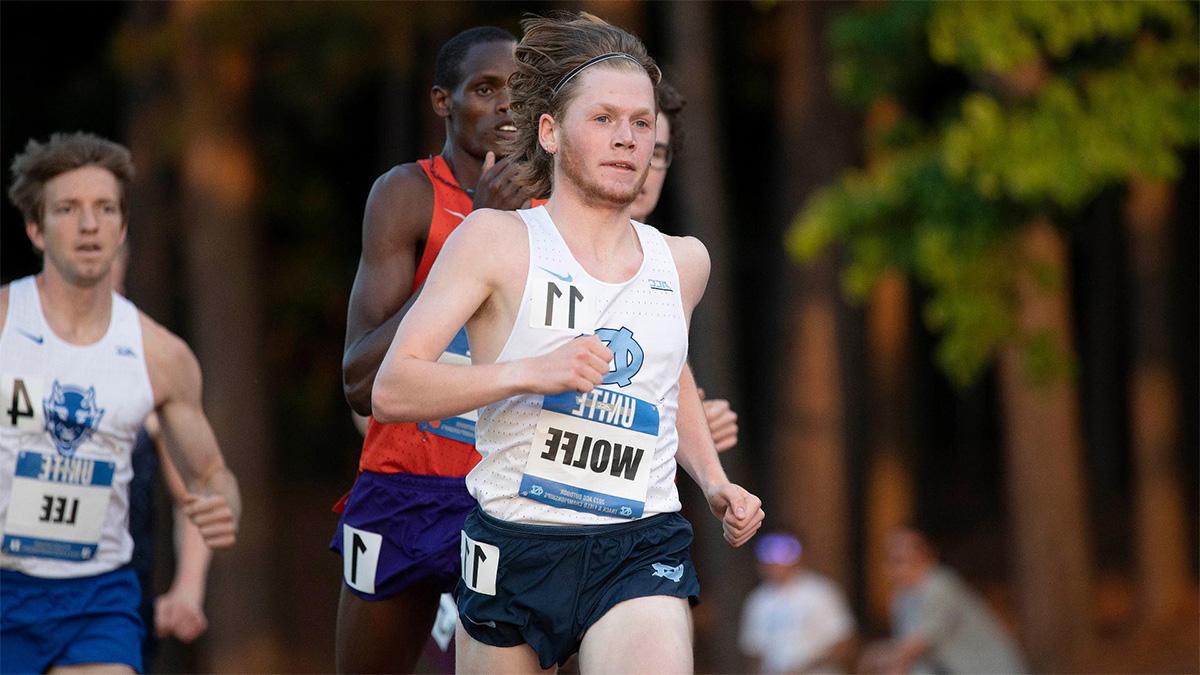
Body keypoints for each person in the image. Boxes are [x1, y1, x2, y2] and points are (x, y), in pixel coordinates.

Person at [370, 12, 764, 673]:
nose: (626, 140)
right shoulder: (495, 242)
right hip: (512, 545)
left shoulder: (683, 262)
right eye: (604, 119)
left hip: (638, 545)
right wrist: (529, 372)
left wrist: (714, 478)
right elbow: (393, 386)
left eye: (641, 124)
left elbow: (670, 376)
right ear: (549, 131)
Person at [0, 132, 241, 674]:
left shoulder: (160, 355)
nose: (89, 225)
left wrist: (224, 504)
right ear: (36, 229)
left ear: (123, 226)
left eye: (105, 209)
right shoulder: (3, 325)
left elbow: (210, 475)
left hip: (98, 598)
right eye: (68, 209)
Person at [113, 245, 213, 668]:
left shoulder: (149, 358)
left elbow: (200, 488)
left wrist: (188, 587)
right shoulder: (14, 336)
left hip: (113, 606)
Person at [859, 528, 1026, 675]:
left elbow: (914, 646)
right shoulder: (902, 598)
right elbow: (904, 656)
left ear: (925, 556)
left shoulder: (940, 586)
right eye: (891, 559)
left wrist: (877, 656)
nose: (894, 568)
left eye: (901, 559)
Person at [739, 532, 856, 674]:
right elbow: (755, 652)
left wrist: (803, 668)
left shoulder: (821, 592)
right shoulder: (758, 601)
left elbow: (844, 644)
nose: (776, 563)